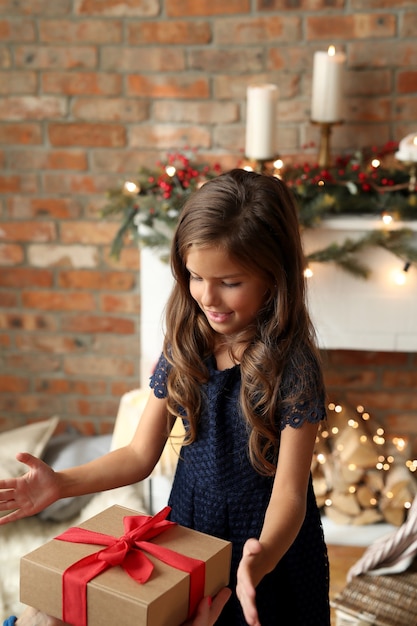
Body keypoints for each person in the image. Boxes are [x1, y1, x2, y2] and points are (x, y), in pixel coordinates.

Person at [0, 169, 330, 625]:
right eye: (195, 277)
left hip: (268, 542)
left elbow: (290, 493)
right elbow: (139, 454)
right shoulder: (185, 343)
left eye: (230, 282)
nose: (207, 297)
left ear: (275, 275)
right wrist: (61, 484)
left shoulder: (294, 367)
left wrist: (264, 555)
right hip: (190, 529)